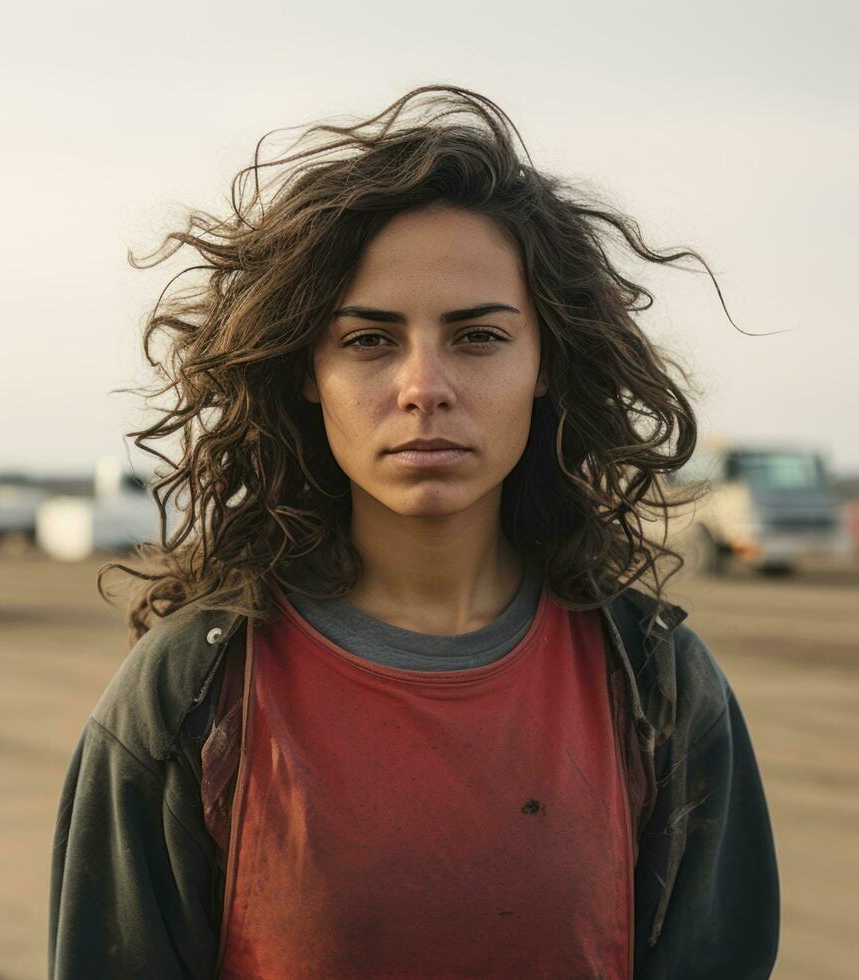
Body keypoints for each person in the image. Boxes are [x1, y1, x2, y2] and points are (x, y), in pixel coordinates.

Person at [49, 85, 778, 979]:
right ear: (306, 372)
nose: (422, 386)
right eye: (367, 341)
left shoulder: (658, 687)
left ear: (545, 363)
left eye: (476, 338)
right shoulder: (189, 694)